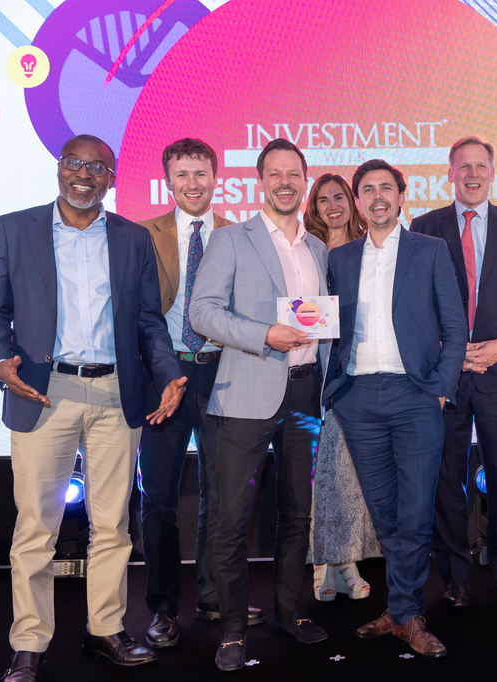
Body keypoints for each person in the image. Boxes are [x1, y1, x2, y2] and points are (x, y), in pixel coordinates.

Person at [0, 135, 186, 682]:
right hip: (42, 392)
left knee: (113, 525)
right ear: (59, 167)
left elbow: (148, 322)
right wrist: (0, 364)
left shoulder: (133, 238)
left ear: (112, 179)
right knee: (35, 528)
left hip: (117, 392)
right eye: (75, 163)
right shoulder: (14, 228)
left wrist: (168, 373)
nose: (84, 175)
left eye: (97, 168)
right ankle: (29, 644)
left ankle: (105, 630)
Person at [188, 138, 331, 671]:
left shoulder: (317, 248)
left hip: (305, 393)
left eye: (294, 174)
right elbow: (202, 313)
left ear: (304, 179)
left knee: (298, 512)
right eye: (275, 174)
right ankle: (230, 629)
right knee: (232, 518)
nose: (285, 183)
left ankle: (289, 613)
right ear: (260, 181)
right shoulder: (231, 239)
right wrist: (263, 335)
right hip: (246, 391)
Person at [324, 159, 467, 657]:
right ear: (357, 202)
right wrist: (335, 391)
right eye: (368, 189)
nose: (378, 196)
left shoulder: (430, 250)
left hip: (415, 397)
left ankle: (405, 613)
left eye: (387, 188)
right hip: (357, 399)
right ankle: (402, 610)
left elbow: (455, 326)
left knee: (415, 512)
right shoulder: (339, 259)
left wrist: (440, 388)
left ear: (402, 196)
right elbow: (328, 327)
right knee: (384, 512)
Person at [136, 138, 268, 647]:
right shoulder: (142, 236)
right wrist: (164, 373)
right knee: (159, 498)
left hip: (224, 373)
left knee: (223, 495)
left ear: (217, 178)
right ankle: (163, 607)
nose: (192, 184)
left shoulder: (241, 236)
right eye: (182, 175)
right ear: (167, 181)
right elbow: (140, 315)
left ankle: (215, 597)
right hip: (163, 378)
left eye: (200, 174)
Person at [411, 136, 497, 607]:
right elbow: (416, 299)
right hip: (444, 374)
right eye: (463, 166)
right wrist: (445, 348)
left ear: (492, 172)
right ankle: (454, 576)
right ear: (450, 173)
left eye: (480, 166)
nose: (472, 174)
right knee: (446, 477)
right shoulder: (424, 227)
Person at [302, 174, 380, 601]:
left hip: (363, 373)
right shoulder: (306, 249)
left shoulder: (372, 247)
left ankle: (344, 560)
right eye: (322, 200)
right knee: (321, 473)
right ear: (313, 207)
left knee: (349, 475)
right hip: (313, 372)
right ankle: (325, 564)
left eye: (339, 197)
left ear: (352, 202)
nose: (332, 206)